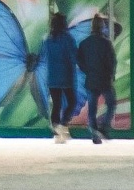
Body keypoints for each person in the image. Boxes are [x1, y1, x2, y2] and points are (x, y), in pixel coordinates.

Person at [76, 14, 117, 144]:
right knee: (111, 104)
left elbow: (79, 61)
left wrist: (87, 70)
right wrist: (111, 75)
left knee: (92, 109)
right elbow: (112, 62)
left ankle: (94, 133)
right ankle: (104, 128)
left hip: (91, 79)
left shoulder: (84, 43)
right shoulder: (106, 43)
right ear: (102, 27)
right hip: (105, 80)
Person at [41, 11, 78, 143]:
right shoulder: (68, 39)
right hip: (66, 75)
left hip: (52, 77)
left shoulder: (48, 40)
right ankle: (62, 125)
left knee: (56, 104)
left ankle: (56, 131)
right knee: (72, 102)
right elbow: (73, 56)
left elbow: (45, 56)